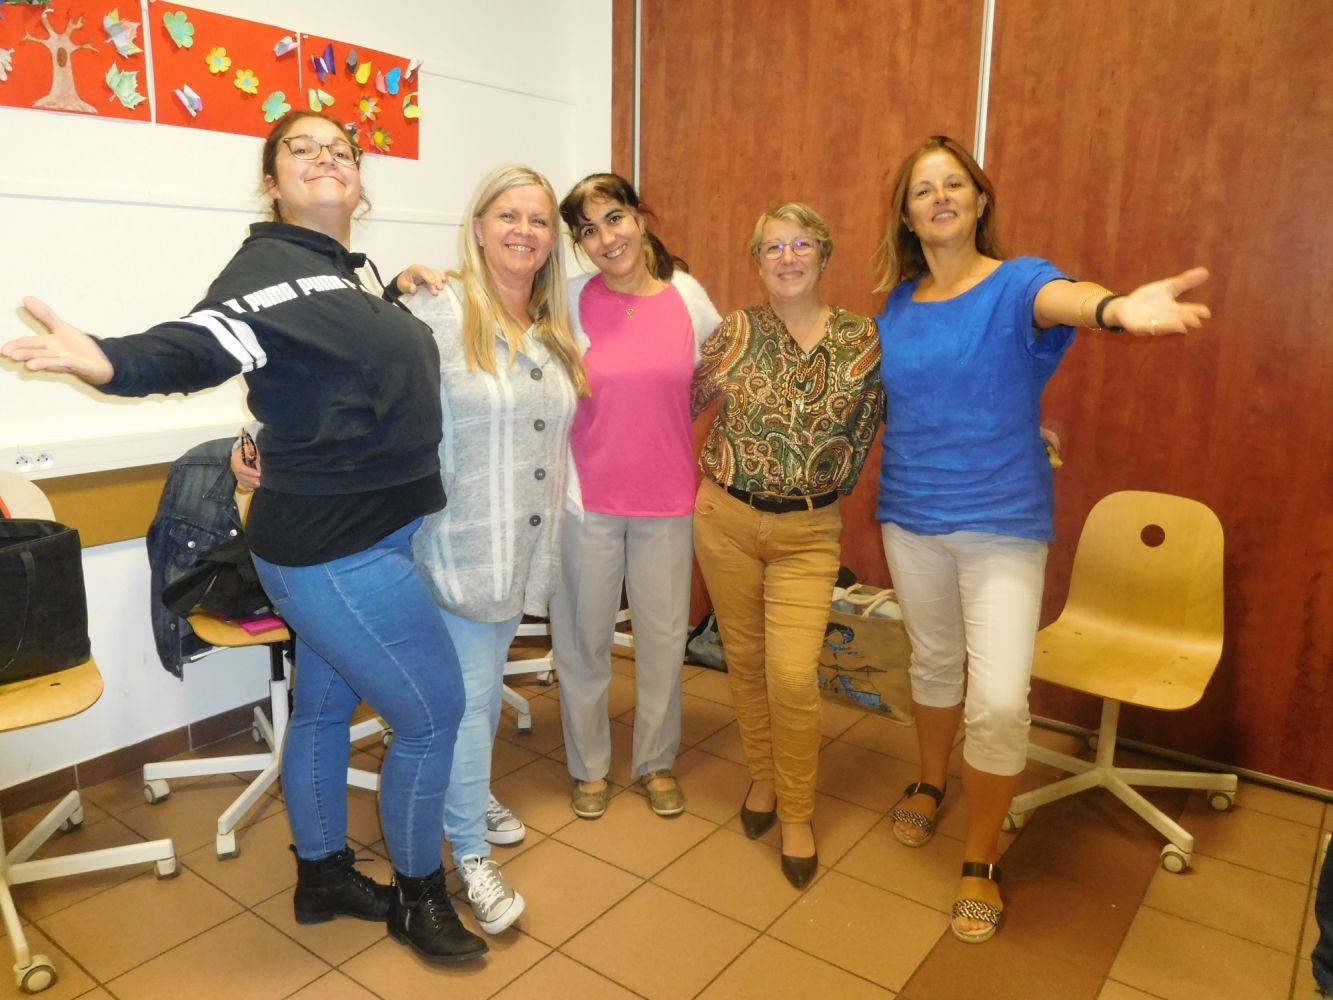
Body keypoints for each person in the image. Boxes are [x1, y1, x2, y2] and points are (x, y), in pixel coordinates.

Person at [2, 110, 487, 965]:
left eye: (341, 149)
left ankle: (323, 877)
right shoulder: (265, 272)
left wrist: (392, 297)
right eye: (302, 148)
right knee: (432, 714)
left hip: (360, 533)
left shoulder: (337, 277)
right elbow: (196, 346)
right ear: (271, 183)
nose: (326, 156)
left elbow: (326, 370)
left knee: (324, 708)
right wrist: (109, 360)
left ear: (359, 181)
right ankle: (421, 899)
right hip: (337, 551)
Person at [872, 134, 1212, 944]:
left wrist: (1118, 309)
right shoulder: (894, 307)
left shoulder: (1018, 281)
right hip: (909, 514)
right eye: (923, 189)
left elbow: (1069, 299)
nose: (940, 197)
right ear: (907, 216)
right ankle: (929, 781)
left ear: (979, 201)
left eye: (954, 184)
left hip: (1001, 522)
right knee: (931, 662)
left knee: (996, 700)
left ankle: (980, 856)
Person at [402, 164, 587, 936]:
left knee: (473, 698)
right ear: (478, 227)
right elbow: (359, 380)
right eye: (508, 215)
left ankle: (469, 796)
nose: (523, 231)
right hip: (458, 548)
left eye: (538, 220)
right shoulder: (436, 309)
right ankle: (469, 853)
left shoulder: (550, 328)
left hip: (521, 549)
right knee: (470, 702)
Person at [690, 202, 884, 888]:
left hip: (808, 531)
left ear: (824, 256)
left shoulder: (862, 340)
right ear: (757, 261)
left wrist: (1015, 430)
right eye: (773, 247)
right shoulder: (735, 333)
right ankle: (763, 778)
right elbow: (673, 403)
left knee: (793, 676)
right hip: (724, 519)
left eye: (801, 244)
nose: (788, 258)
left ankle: (798, 812)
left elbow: (914, 409)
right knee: (744, 663)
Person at [549, 173, 722, 821]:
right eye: (588, 230)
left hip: (668, 499)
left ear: (640, 218)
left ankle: (655, 761)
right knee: (583, 641)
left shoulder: (686, 296)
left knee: (662, 641)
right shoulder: (566, 299)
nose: (606, 238)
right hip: (586, 499)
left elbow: (717, 371)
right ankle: (589, 767)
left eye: (614, 218)